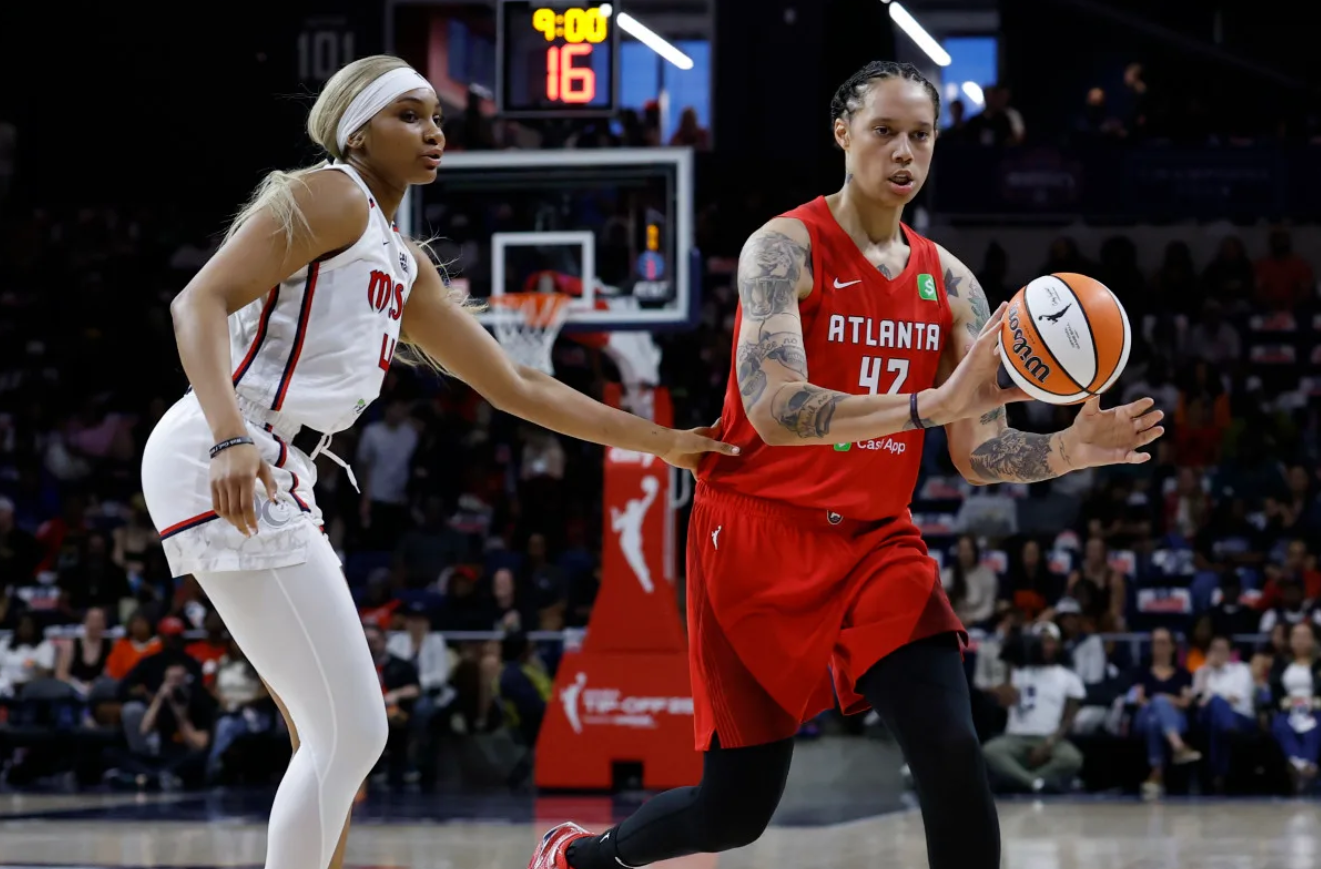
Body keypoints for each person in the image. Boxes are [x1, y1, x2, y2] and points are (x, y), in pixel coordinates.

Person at [530, 60, 1163, 869]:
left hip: (873, 542)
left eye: (921, 135)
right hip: (753, 537)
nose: (904, 152)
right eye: (884, 131)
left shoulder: (955, 286)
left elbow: (978, 452)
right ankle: (578, 860)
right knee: (733, 811)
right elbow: (774, 408)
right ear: (842, 134)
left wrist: (1067, 451)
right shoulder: (782, 249)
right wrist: (922, 408)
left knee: (947, 742)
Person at [138, 54, 735, 869]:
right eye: (408, 115)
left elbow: (517, 382)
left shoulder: (400, 259)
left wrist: (665, 443)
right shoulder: (333, 191)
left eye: (436, 118)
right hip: (233, 442)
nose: (432, 132)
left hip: (283, 461)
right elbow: (196, 300)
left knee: (329, 734)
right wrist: (229, 436)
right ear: (357, 131)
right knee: (352, 729)